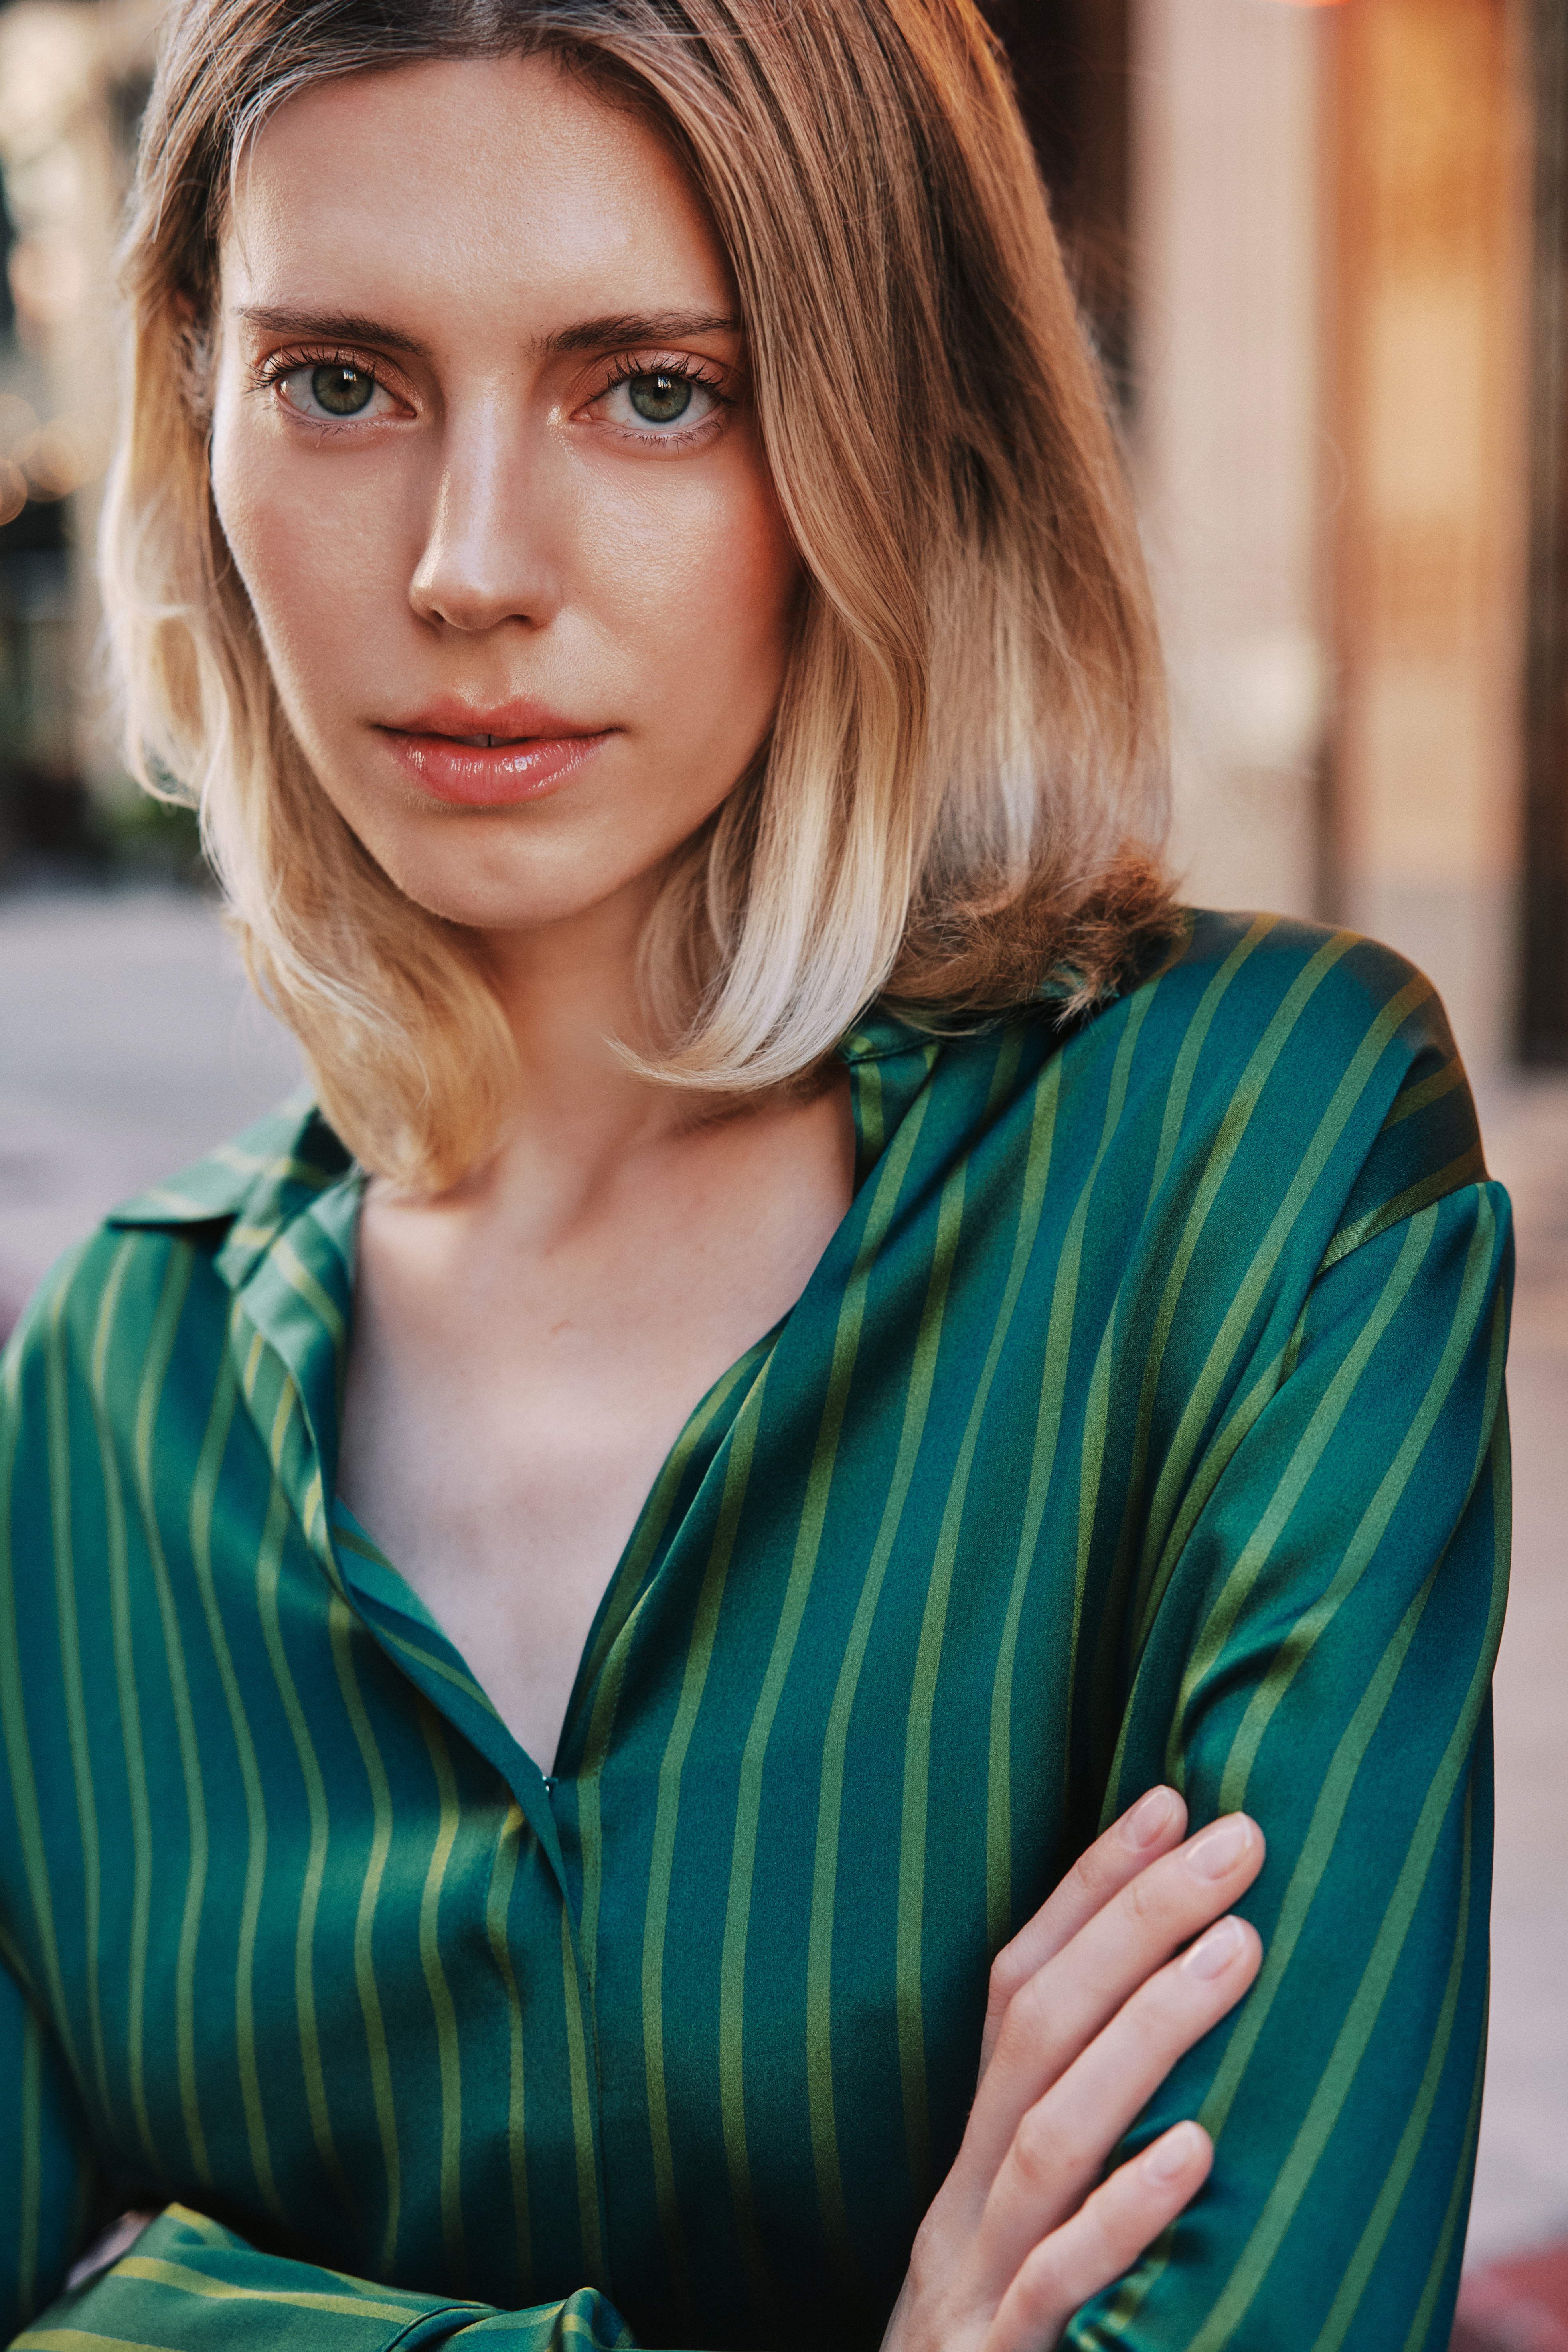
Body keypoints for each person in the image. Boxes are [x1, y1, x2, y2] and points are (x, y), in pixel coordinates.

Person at [0, 1, 1510, 2346]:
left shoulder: (1252, 1153)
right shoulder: (111, 1393)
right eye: (341, 382)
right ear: (197, 425)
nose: (470, 568)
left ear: (901, 434)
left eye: (653, 390)